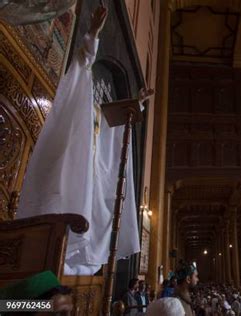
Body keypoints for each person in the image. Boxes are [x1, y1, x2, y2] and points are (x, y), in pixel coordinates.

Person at [15, 4, 143, 276]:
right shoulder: (75, 112)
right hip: (61, 190)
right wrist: (93, 34)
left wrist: (136, 108)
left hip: (84, 196)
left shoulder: (99, 125)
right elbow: (82, 64)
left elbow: (116, 131)